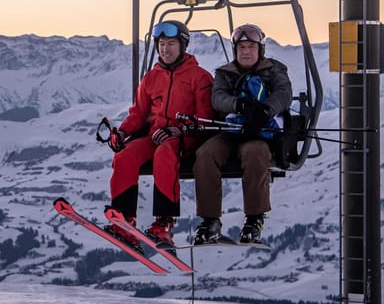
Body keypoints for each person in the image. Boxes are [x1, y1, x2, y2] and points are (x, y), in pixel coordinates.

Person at [106, 20, 214, 247]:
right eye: (162, 44)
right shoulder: (151, 78)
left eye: (171, 43)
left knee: (164, 154)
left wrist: (178, 129)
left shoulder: (199, 77)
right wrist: (123, 133)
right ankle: (124, 218)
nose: (165, 49)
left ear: (182, 45)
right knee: (125, 155)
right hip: (154, 135)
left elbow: (205, 118)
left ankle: (164, 222)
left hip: (184, 137)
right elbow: (138, 114)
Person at [192, 23, 293, 245]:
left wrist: (265, 110)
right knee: (206, 154)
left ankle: (254, 219)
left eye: (250, 47)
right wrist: (240, 106)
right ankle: (210, 220)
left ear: (260, 49)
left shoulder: (274, 70)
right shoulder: (225, 73)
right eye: (241, 47)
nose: (246, 52)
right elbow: (218, 98)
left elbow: (283, 94)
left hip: (260, 133)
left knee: (255, 153)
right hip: (231, 130)